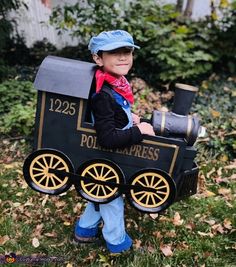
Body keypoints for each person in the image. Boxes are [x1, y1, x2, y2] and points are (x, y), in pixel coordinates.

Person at [74, 30, 155, 253]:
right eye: (114, 52)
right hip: (107, 155)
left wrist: (132, 118)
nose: (122, 57)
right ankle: (118, 244)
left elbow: (115, 115)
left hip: (108, 160)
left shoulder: (115, 84)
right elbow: (107, 137)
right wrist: (138, 132)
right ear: (98, 58)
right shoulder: (102, 95)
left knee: (99, 193)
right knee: (112, 196)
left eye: (127, 51)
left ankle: (84, 231)